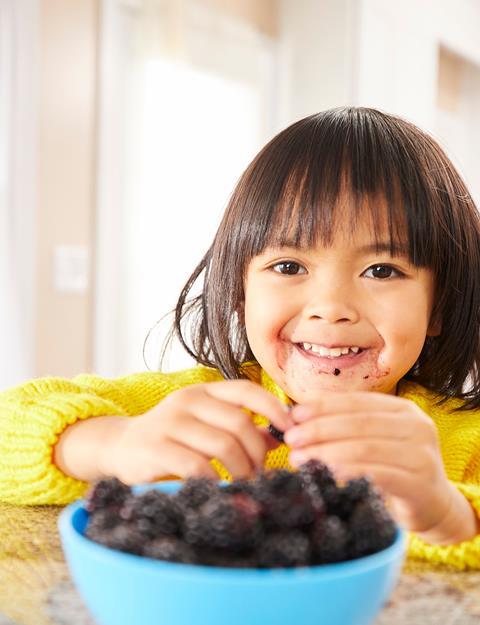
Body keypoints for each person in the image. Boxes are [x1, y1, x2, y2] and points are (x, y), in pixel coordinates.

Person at [2, 107, 480, 569]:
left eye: (381, 270)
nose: (331, 308)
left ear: (438, 306)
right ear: (240, 292)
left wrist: (447, 514)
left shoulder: (465, 442)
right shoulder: (194, 409)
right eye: (289, 266)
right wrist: (112, 442)